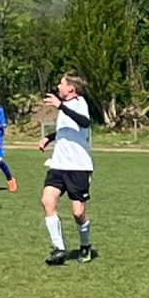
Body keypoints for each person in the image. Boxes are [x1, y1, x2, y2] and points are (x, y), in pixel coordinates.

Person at [39, 73, 95, 264]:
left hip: (78, 167)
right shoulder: (64, 108)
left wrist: (60, 106)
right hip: (58, 165)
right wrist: (49, 138)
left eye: (61, 83)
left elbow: (84, 122)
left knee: (78, 213)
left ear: (71, 88)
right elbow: (65, 130)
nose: (58, 86)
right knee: (47, 201)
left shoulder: (79, 103)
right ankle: (59, 249)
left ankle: (85, 245)